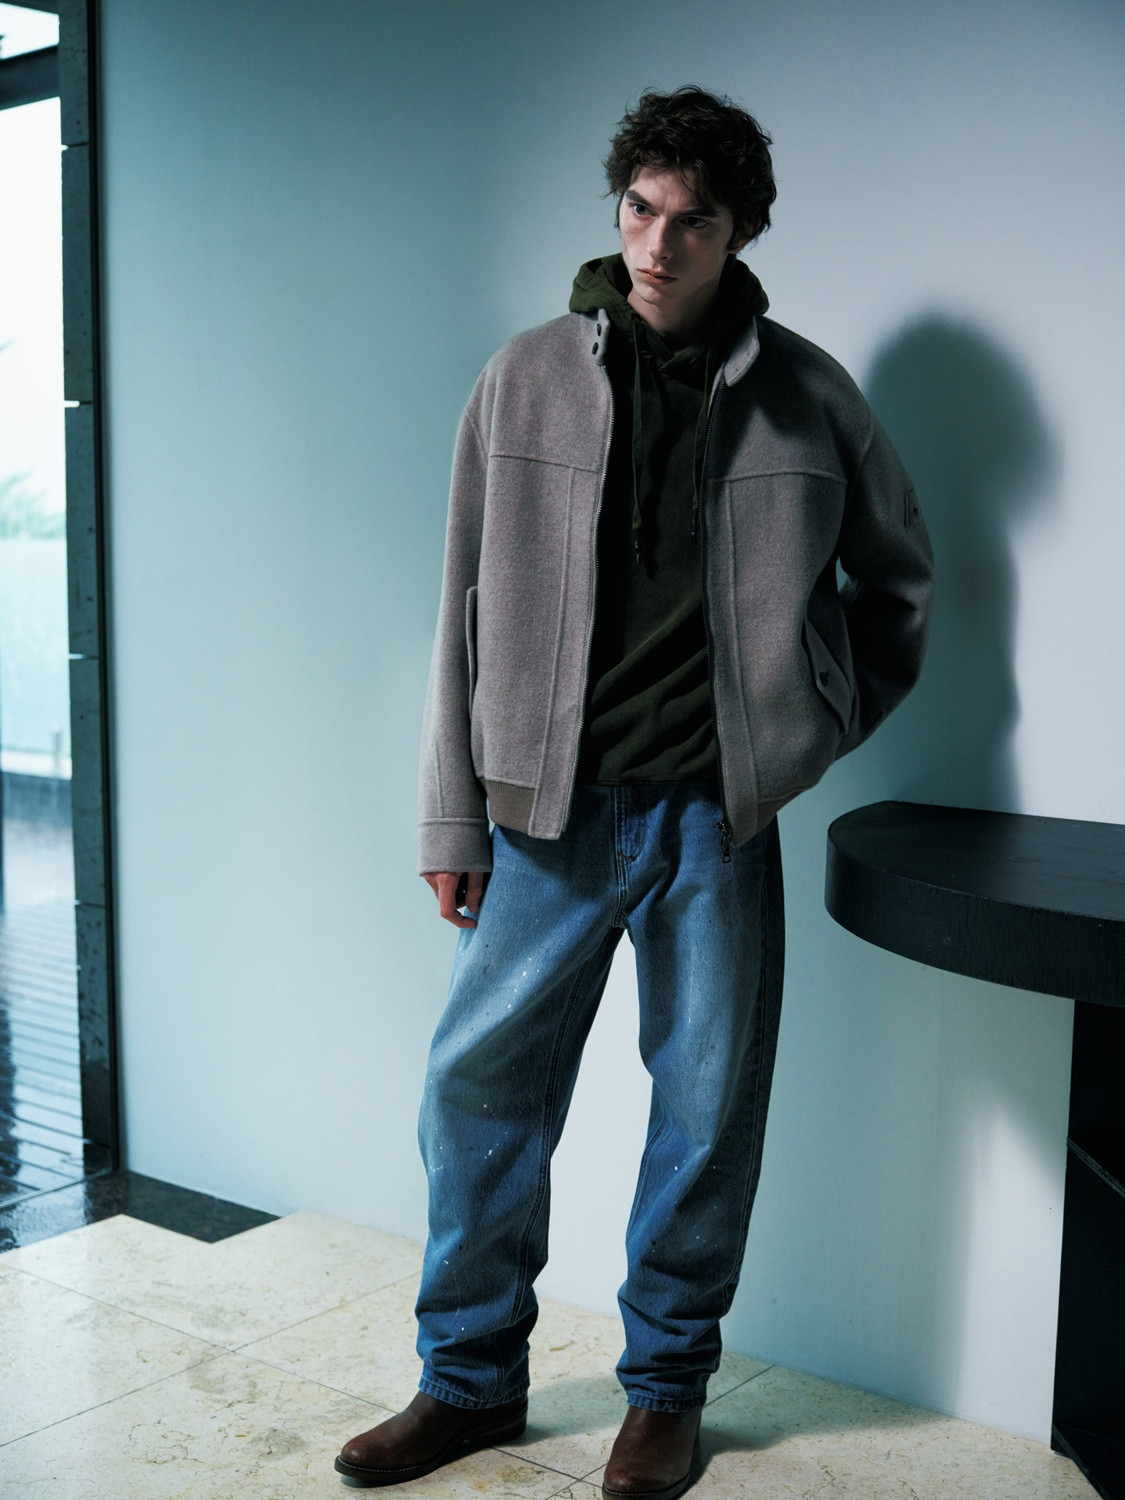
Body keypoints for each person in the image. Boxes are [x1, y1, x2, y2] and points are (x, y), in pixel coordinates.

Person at [337, 86, 933, 1498]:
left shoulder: (808, 396)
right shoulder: (525, 378)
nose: (658, 245)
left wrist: (804, 726)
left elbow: (897, 585)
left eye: (693, 222)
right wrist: (450, 814)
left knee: (705, 1111)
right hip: (545, 816)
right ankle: (467, 1383)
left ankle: (664, 1394)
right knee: (474, 1091)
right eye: (640, 210)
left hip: (716, 820)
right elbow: (460, 605)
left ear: (740, 234)